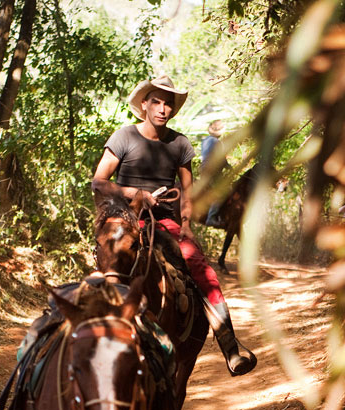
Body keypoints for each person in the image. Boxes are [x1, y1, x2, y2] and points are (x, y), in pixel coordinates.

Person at [91, 76, 257, 377]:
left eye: (168, 103)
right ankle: (79, 338)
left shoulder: (180, 144)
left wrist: (186, 224)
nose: (163, 108)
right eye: (157, 101)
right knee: (106, 265)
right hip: (126, 218)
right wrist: (135, 195)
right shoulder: (123, 137)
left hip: (167, 222)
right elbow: (99, 181)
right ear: (145, 104)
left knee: (200, 267)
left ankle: (229, 343)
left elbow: (187, 190)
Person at [200, 120, 226, 228]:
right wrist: (229, 166)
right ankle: (211, 217)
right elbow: (221, 159)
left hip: (203, 170)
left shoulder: (205, 140)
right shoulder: (217, 142)